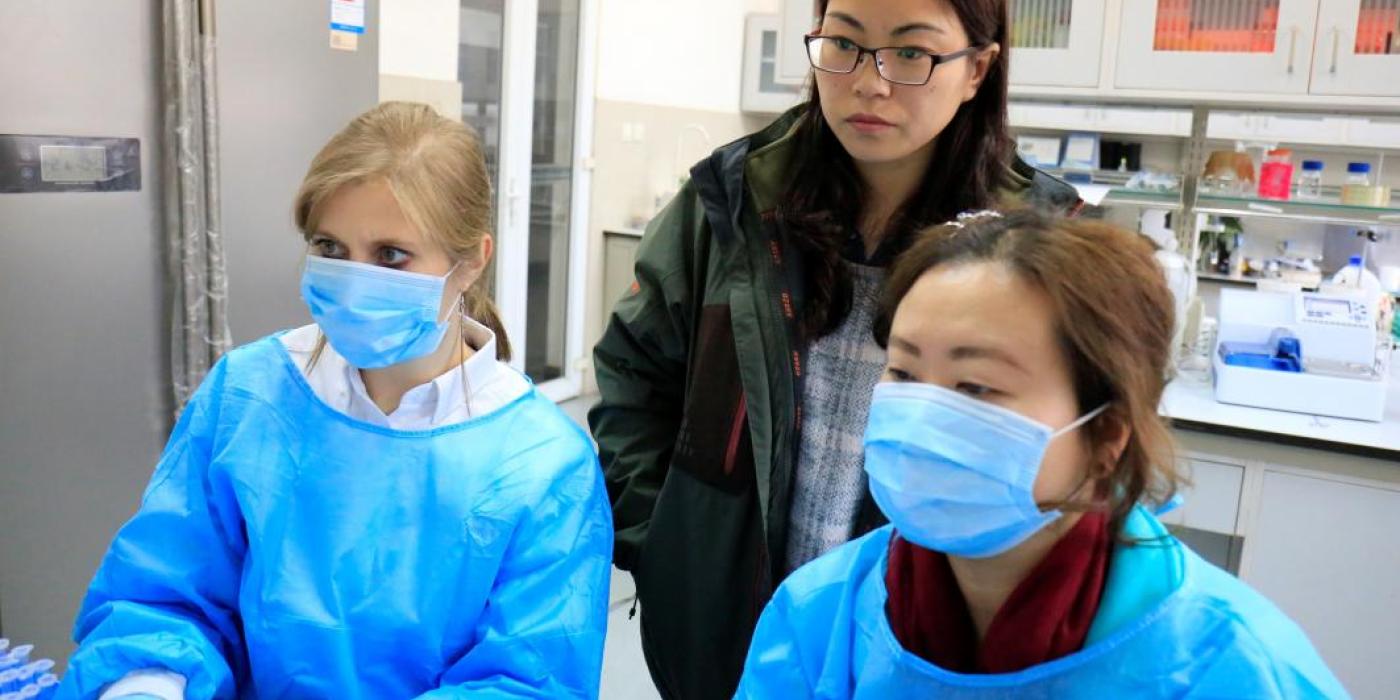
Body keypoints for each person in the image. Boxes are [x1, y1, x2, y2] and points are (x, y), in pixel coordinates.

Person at [589, 0, 1077, 697]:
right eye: (844, 43)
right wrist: (663, 544)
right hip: (726, 633)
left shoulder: (1036, 249)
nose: (870, 82)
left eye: (911, 53)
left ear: (978, 68)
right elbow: (634, 379)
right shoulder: (728, 208)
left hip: (921, 646)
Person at [57, 102, 612, 700]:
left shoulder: (541, 464)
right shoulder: (250, 393)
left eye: (391, 256)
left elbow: (527, 680)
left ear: (471, 260)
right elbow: (169, 590)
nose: (353, 279)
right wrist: (148, 682)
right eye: (330, 247)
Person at [735, 209, 1347, 698]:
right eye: (902, 371)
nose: (920, 415)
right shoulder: (822, 616)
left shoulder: (1235, 666)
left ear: (1107, 435)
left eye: (975, 388)